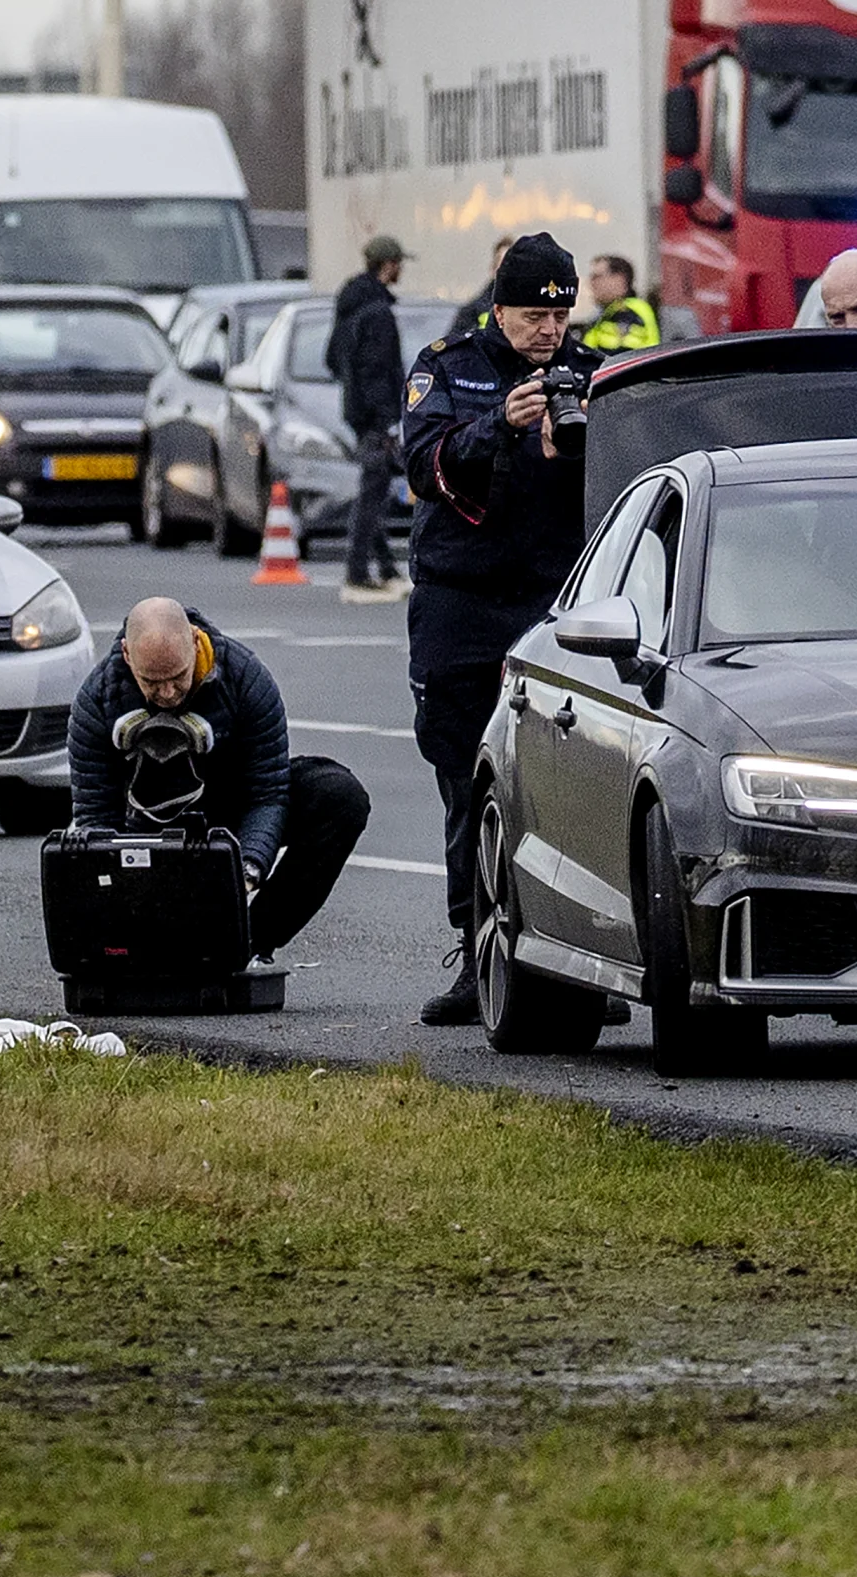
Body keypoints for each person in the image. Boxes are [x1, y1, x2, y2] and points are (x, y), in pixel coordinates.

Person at [399, 231, 606, 1026]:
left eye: (558, 316)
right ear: (500, 306)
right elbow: (424, 465)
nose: (547, 332)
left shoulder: (587, 374)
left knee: (571, 779)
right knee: (465, 774)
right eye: (531, 316)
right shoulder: (448, 367)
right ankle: (476, 945)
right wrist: (502, 426)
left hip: (556, 600)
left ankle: (576, 961)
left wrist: (579, 435)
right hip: (464, 602)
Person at [63, 598, 370, 960]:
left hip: (234, 808)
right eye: (152, 682)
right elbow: (96, 819)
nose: (167, 694)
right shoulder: (96, 700)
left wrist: (249, 869)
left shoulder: (246, 678)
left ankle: (250, 944)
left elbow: (267, 793)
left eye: (178, 677)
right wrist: (128, 892)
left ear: (195, 642)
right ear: (127, 656)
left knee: (339, 796)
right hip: (149, 829)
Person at [330, 234, 414, 603]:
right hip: (376, 416)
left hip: (355, 412)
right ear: (388, 265)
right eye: (399, 263)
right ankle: (358, 573)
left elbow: (332, 359)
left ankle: (387, 570)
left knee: (374, 488)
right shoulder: (378, 313)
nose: (401, 270)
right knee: (372, 492)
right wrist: (389, 420)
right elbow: (380, 371)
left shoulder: (349, 306)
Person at [579, 254, 662, 354]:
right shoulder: (608, 312)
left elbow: (621, 357)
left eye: (597, 277)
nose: (591, 282)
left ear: (619, 279)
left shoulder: (629, 312)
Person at [450, 235, 515, 336]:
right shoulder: (472, 312)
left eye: (512, 264)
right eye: (502, 263)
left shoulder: (530, 310)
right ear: (493, 269)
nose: (507, 269)